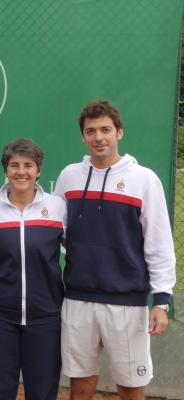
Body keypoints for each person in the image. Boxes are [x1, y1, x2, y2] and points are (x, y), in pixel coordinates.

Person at [55, 100, 176, 400]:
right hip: (78, 298)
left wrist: (161, 302)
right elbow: (53, 226)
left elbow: (158, 241)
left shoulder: (145, 180)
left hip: (127, 301)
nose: (99, 137)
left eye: (106, 130)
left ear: (119, 132)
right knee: (80, 380)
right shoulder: (69, 176)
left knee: (130, 386)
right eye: (91, 131)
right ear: (83, 137)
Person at [0, 139, 66, 400]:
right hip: (0, 319)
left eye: (28, 165)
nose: (21, 171)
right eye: (14, 165)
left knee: (43, 393)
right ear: (5, 170)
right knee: (0, 393)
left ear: (39, 171)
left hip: (46, 318)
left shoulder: (57, 207)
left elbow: (76, 247)